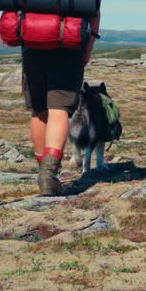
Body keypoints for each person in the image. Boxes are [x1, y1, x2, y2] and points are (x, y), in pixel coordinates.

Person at [22, 12, 99, 195]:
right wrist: (89, 47)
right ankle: (48, 176)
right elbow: (94, 12)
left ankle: (44, 170)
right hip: (69, 45)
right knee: (59, 110)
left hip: (33, 43)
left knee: (39, 110)